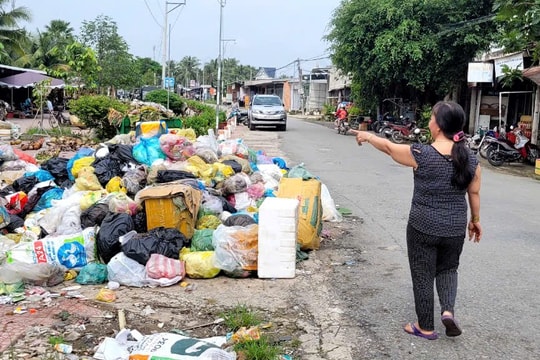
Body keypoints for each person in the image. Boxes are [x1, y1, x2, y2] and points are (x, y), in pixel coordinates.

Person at [351, 101, 482, 340]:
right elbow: (474, 193)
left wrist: (368, 137)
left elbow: (390, 148)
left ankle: (426, 327)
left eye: (432, 117)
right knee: (448, 268)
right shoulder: (471, 160)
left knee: (423, 273)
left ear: (439, 125)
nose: (430, 121)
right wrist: (475, 220)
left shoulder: (422, 153)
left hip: (423, 225)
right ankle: (447, 311)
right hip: (454, 227)